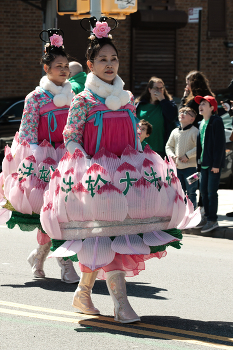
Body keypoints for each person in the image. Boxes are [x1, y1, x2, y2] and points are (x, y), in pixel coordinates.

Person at [40, 19, 197, 324]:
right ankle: (121, 305)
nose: (109, 65)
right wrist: (84, 162)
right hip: (94, 180)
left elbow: (133, 137)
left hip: (125, 178)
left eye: (113, 59)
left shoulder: (125, 100)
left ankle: (84, 294)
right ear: (90, 64)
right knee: (103, 240)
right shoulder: (83, 100)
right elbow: (70, 135)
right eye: (102, 60)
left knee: (110, 240)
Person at [16, 29, 79, 283]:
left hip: (68, 160)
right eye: (58, 66)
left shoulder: (74, 97)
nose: (64, 70)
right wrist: (31, 162)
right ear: (46, 68)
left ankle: (39, 257)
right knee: (50, 212)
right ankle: (65, 263)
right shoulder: (36, 98)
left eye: (66, 66)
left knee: (66, 212)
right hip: (43, 161)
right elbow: (27, 133)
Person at [194, 96, 225, 233]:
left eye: (204, 104)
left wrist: (216, 164)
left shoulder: (216, 121)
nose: (200, 106)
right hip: (204, 164)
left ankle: (213, 220)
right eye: (200, 104)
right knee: (204, 193)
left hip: (213, 165)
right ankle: (206, 217)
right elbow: (200, 146)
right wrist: (198, 165)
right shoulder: (201, 123)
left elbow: (219, 144)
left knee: (212, 193)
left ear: (212, 108)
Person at [136, 77, 178, 158]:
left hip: (159, 148)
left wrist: (163, 100)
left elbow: (172, 118)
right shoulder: (140, 105)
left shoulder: (168, 104)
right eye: (156, 88)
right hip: (140, 147)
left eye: (161, 88)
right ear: (149, 90)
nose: (159, 91)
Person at [165, 107, 199, 208]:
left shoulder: (195, 131)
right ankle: (182, 213)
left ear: (192, 119)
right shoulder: (175, 131)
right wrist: (172, 156)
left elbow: (199, 147)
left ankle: (192, 213)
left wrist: (188, 155)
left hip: (192, 170)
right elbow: (168, 146)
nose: (182, 114)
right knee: (180, 192)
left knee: (191, 192)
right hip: (178, 168)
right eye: (181, 112)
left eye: (186, 113)